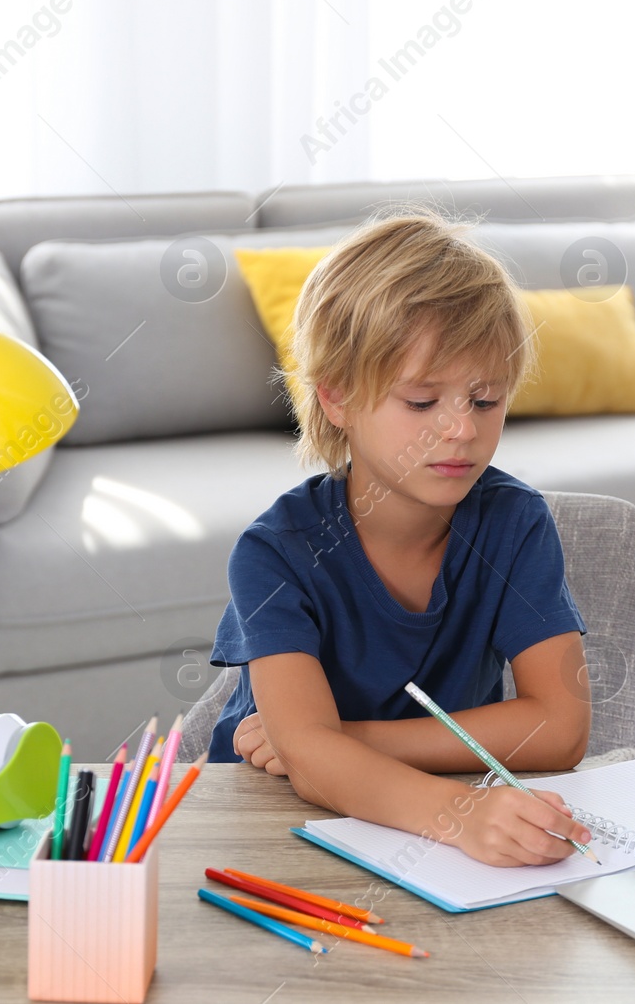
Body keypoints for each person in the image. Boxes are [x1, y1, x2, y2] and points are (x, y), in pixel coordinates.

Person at [206, 208, 594, 867]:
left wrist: (350, 741)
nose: (461, 431)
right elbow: (302, 760)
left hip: (430, 837)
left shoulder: (514, 522)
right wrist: (461, 815)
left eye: (485, 398)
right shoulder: (275, 552)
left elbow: (559, 728)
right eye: (421, 402)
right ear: (336, 399)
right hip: (270, 822)